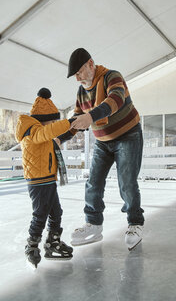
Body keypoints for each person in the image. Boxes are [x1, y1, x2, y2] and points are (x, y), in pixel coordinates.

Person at [57, 48, 144, 251]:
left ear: (90, 64)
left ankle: (135, 224)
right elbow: (76, 122)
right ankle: (94, 225)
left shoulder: (111, 77)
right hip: (103, 142)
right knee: (93, 182)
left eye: (79, 72)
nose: (78, 78)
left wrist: (91, 116)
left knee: (127, 182)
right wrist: (58, 139)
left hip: (128, 135)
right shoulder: (81, 92)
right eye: (75, 76)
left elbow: (116, 99)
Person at [15, 88, 77, 268]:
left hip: (49, 179)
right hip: (38, 181)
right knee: (40, 214)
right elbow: (48, 133)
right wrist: (69, 121)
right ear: (44, 120)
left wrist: (74, 128)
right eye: (52, 120)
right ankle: (32, 245)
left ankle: (52, 242)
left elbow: (56, 139)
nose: (53, 124)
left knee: (56, 213)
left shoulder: (42, 133)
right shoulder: (32, 131)